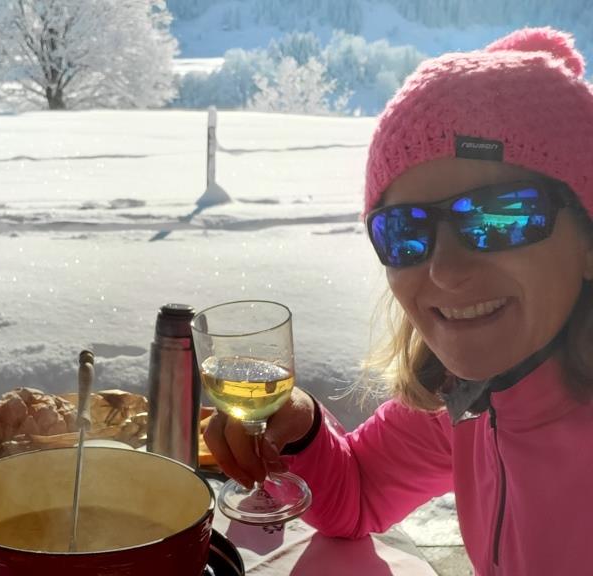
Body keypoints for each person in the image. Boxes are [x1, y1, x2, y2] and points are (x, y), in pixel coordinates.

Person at [204, 27, 593, 576]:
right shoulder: (467, 399)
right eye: (404, 231)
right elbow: (359, 495)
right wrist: (302, 427)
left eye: (500, 217)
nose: (446, 271)